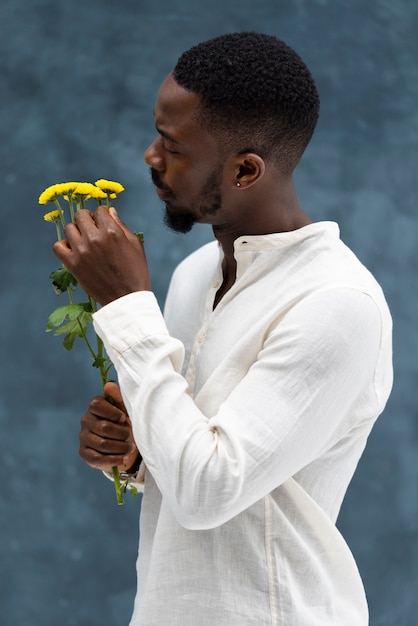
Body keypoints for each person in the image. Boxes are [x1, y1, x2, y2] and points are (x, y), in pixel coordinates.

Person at [53, 32, 393, 626]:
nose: (149, 157)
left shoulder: (337, 303)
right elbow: (201, 464)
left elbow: (209, 491)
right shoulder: (195, 275)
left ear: (244, 170)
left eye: (171, 144)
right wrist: (135, 459)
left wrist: (127, 304)